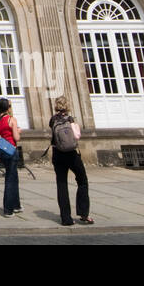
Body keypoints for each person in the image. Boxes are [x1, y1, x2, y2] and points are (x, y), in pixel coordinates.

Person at [48, 96, 91, 226]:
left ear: (57, 106)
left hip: (57, 154)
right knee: (82, 180)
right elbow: (76, 136)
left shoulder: (52, 120)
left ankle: (66, 218)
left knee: (62, 184)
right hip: (71, 154)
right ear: (67, 106)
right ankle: (84, 214)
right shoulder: (70, 119)